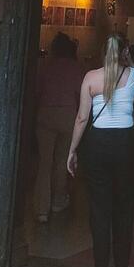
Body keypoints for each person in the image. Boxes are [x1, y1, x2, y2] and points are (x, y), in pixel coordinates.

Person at [66, 33, 134, 267]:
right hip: (126, 143)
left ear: (102, 52)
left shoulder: (90, 77)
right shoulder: (132, 75)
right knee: (125, 206)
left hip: (98, 144)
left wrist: (72, 150)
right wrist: (130, 62)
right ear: (124, 52)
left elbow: (81, 118)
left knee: (99, 209)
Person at [34, 32, 85, 223]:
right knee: (63, 159)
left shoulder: (46, 66)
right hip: (67, 115)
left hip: (45, 114)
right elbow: (81, 95)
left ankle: (41, 209)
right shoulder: (76, 68)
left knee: (44, 162)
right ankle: (58, 199)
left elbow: (37, 91)